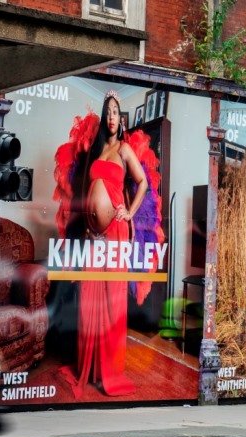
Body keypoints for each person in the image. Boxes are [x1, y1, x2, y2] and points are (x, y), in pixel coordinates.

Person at [60, 90, 148, 398]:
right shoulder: (97, 151)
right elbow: (89, 191)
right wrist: (87, 222)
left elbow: (143, 183)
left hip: (115, 233)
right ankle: (90, 366)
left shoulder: (124, 149)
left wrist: (128, 212)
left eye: (115, 113)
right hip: (94, 235)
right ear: (104, 117)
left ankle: (108, 370)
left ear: (121, 120)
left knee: (111, 299)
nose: (111, 117)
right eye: (107, 112)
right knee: (89, 299)